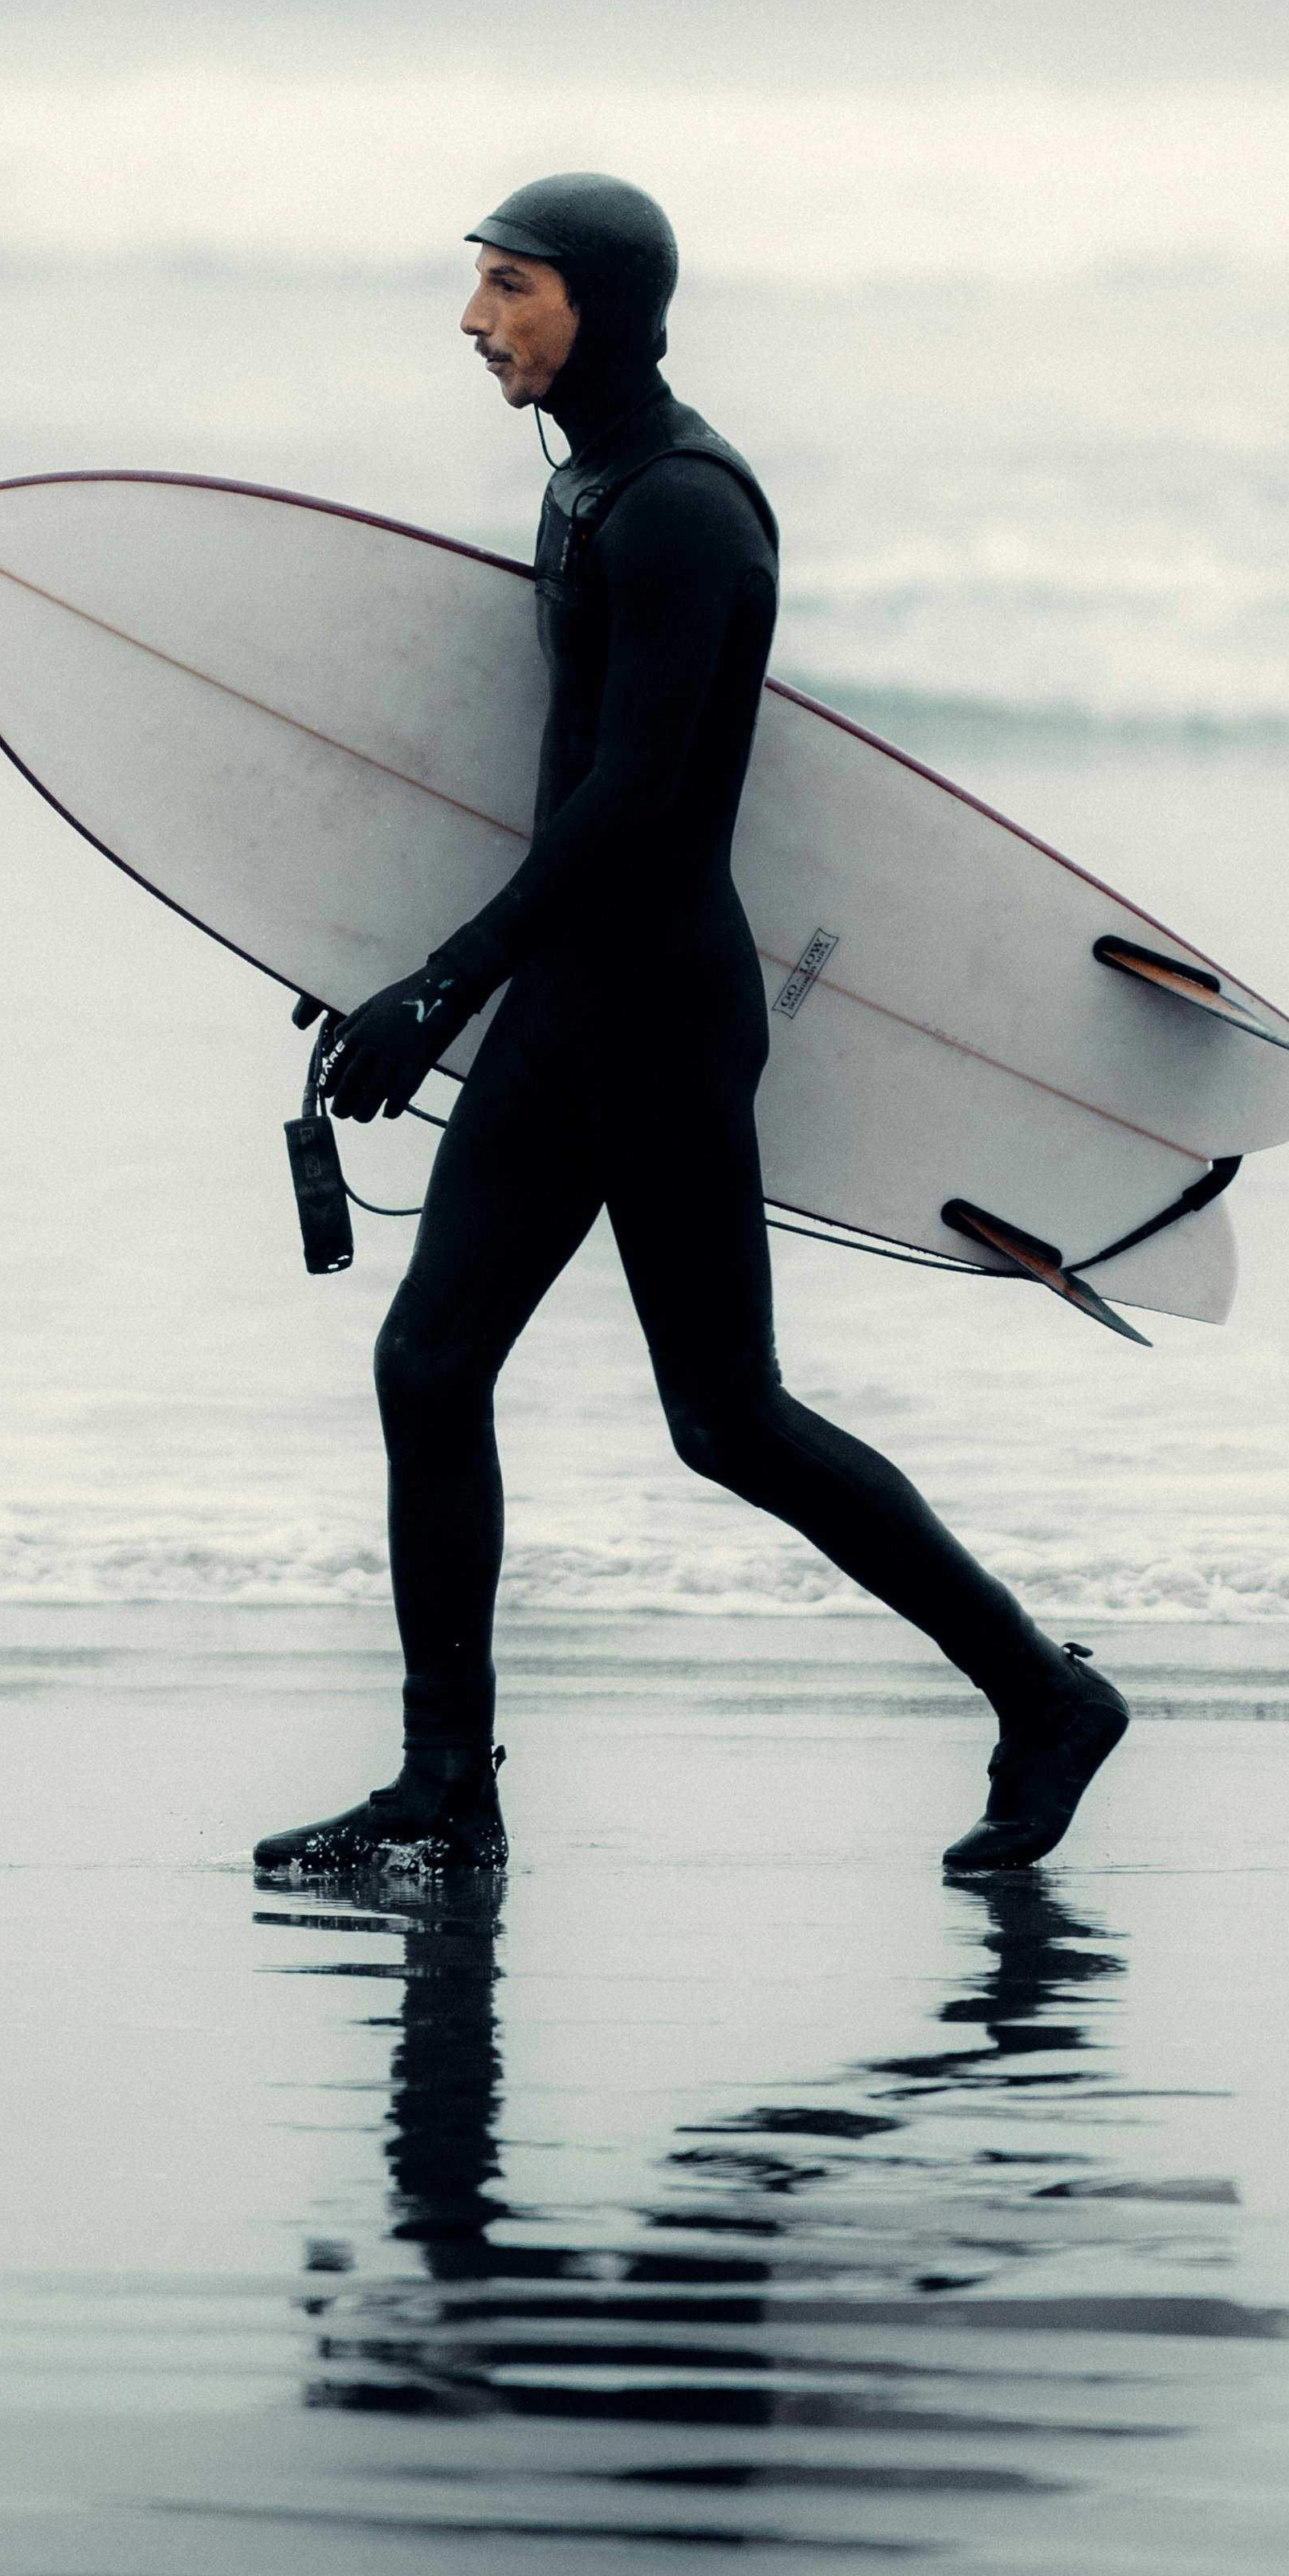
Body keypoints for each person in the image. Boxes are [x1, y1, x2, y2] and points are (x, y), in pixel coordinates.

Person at [253, 174, 1127, 1882]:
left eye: (509, 287)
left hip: (652, 1012)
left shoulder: (684, 513)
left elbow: (643, 804)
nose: (473, 320)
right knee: (428, 1366)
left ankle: (1044, 1694)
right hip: (573, 994)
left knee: (729, 1419)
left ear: (606, 305)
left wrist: (443, 983)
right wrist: (393, 948)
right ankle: (448, 1786)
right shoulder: (585, 482)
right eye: (480, 286)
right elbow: (561, 774)